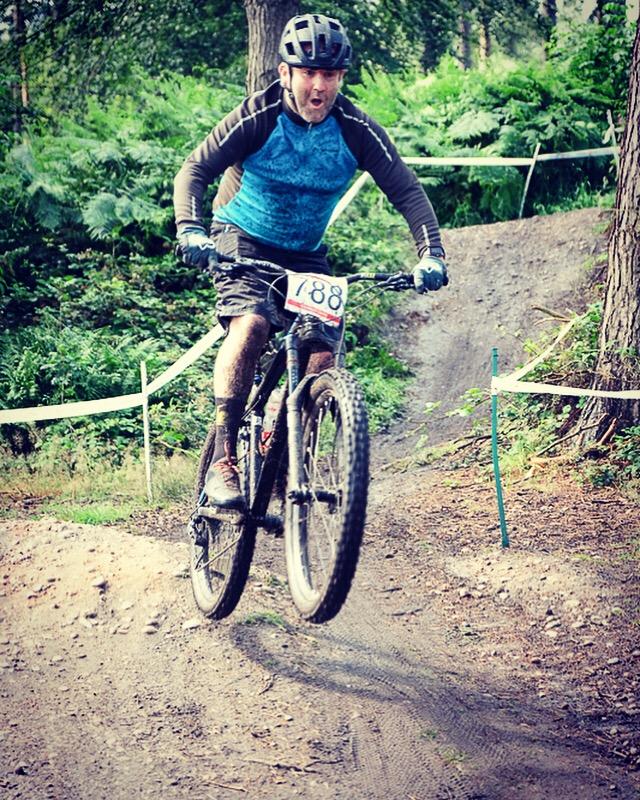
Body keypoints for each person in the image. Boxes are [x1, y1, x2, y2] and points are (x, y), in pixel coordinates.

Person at [174, 13, 448, 511]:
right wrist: (191, 230)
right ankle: (222, 458)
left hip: (306, 255)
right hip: (241, 239)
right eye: (308, 73)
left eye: (329, 75)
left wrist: (431, 253)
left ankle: (285, 446)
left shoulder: (356, 129)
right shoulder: (258, 116)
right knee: (252, 325)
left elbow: (407, 191)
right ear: (285, 74)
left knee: (322, 357)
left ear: (341, 78)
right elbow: (195, 169)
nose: (318, 86)